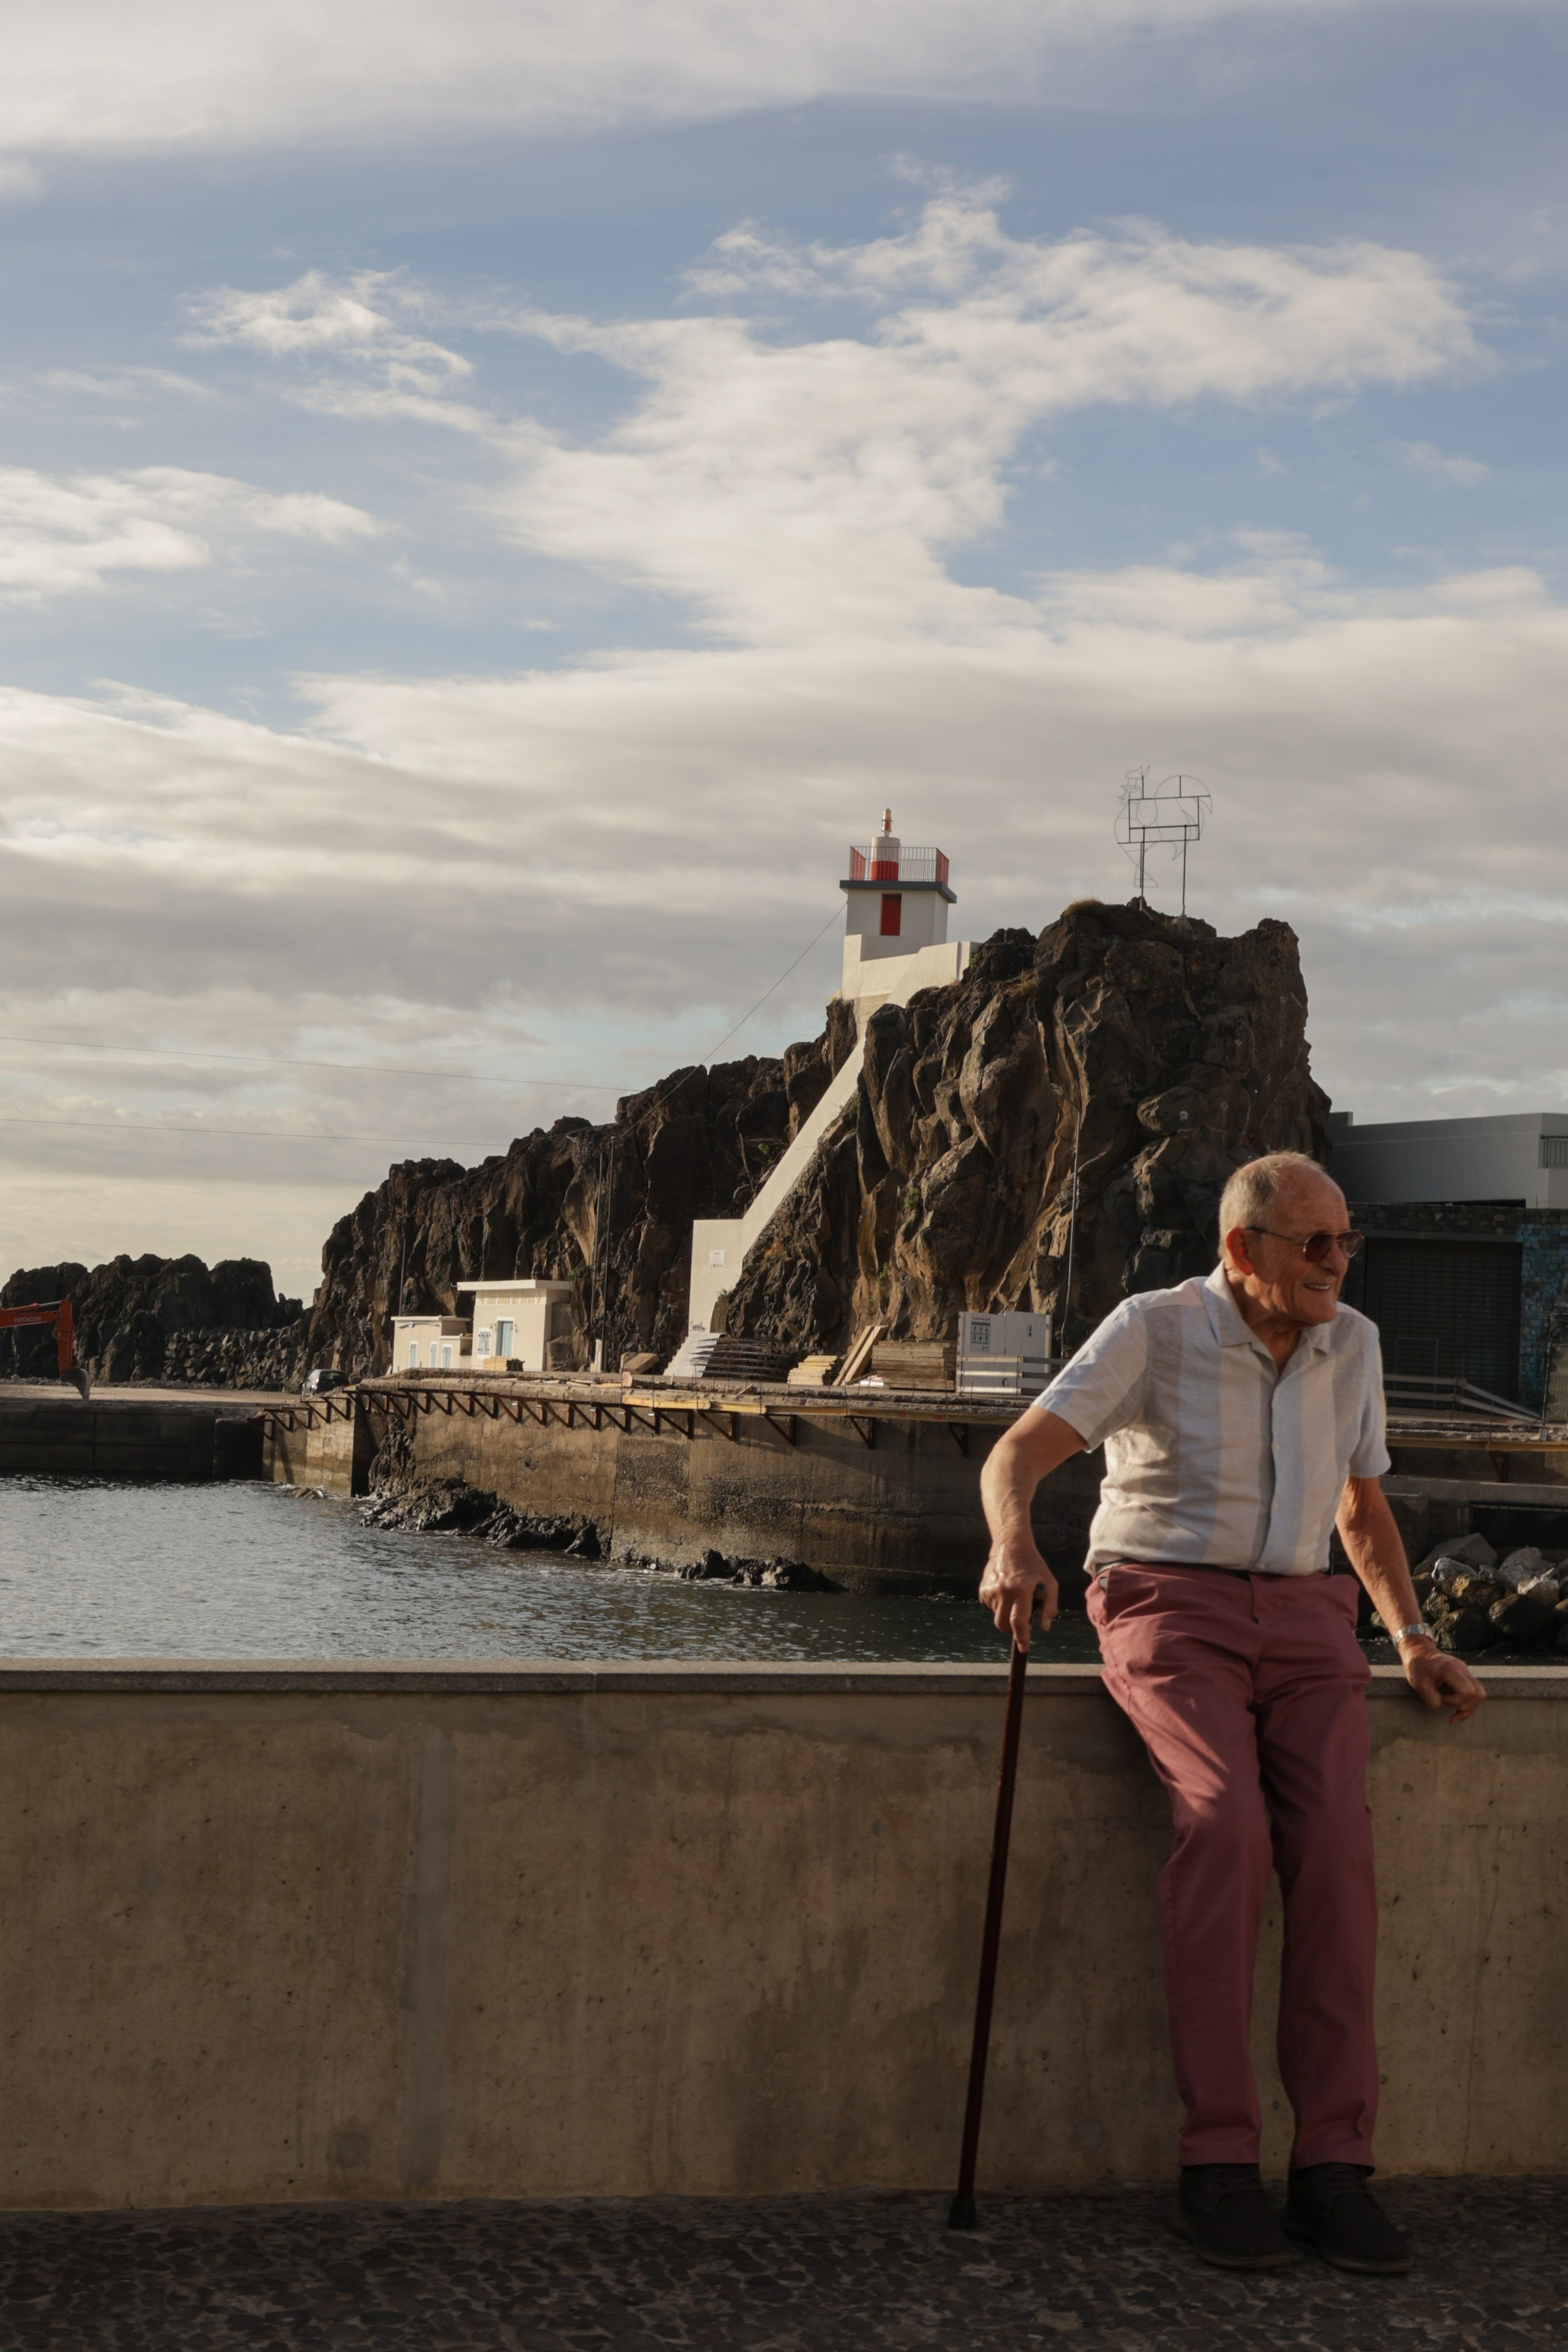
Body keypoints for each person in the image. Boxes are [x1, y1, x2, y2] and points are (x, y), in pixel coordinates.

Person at [978, 1150, 1483, 2275]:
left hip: (1309, 1619)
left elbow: (1361, 1508)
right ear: (1242, 1249)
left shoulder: (1354, 1343)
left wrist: (1414, 1639)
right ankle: (1216, 2165)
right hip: (1168, 1605)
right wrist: (1014, 1549)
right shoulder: (1153, 1328)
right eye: (1316, 1243)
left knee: (1338, 1852)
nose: (1337, 1262)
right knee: (1225, 1825)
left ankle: (1334, 2169)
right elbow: (1019, 1453)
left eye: (1346, 1240)